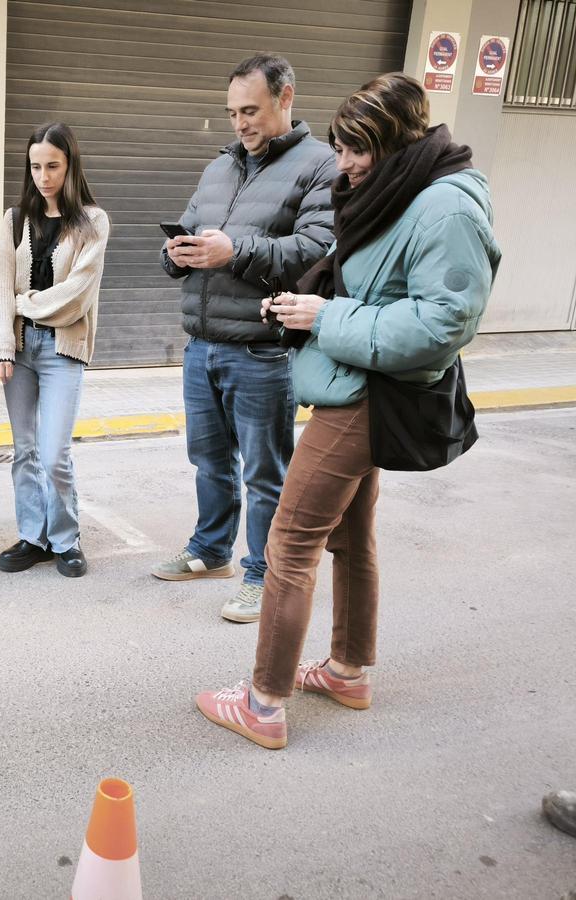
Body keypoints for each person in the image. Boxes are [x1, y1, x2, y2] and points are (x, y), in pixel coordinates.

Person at [195, 73, 500, 749]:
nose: (346, 163)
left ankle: (264, 703)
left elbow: (445, 321)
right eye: (342, 147)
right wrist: (310, 303)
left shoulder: (446, 206)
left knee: (288, 543)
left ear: (400, 140)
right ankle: (347, 670)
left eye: (360, 148)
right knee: (349, 538)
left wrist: (329, 317)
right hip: (360, 383)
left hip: (367, 395)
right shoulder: (399, 189)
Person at [152, 54, 335, 624]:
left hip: (262, 346)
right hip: (202, 341)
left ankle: (263, 574)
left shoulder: (319, 165)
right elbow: (187, 230)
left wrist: (237, 251)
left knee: (264, 470)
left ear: (286, 98)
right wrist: (175, 254)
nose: (240, 123)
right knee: (207, 458)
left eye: (250, 110)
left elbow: (314, 249)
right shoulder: (219, 168)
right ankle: (212, 551)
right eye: (232, 112)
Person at [0, 123, 109, 578]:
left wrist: (27, 303)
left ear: (70, 165)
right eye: (36, 166)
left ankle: (66, 538)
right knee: (24, 450)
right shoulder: (15, 218)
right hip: (18, 349)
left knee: (54, 450)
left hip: (62, 350)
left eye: (53, 166)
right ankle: (33, 537)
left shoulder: (93, 221)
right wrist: (1, 343)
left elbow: (78, 294)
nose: (43, 176)